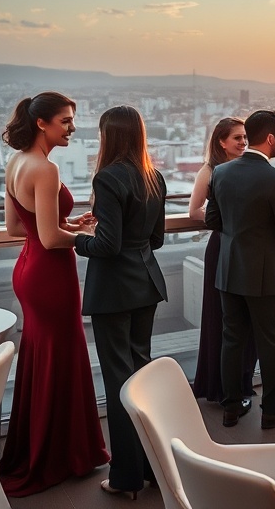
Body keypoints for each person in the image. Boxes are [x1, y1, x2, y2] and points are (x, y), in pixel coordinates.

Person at [0, 91, 110, 497]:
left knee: (43, 356)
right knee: (62, 356)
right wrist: (87, 237)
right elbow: (49, 238)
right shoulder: (45, 168)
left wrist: (68, 224)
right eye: (65, 120)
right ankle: (63, 454)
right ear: (41, 123)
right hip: (50, 274)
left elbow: (17, 228)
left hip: (28, 270)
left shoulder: (16, 162)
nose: (73, 128)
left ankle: (41, 448)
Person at [75, 105, 168, 499]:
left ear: (109, 136)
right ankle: (150, 467)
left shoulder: (107, 178)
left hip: (114, 290)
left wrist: (78, 241)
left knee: (118, 382)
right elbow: (156, 239)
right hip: (146, 283)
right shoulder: (154, 177)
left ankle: (125, 477)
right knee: (141, 376)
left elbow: (108, 246)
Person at [206, 109, 275, 429]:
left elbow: (212, 220)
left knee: (232, 339)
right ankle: (272, 410)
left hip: (229, 268)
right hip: (262, 274)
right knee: (269, 341)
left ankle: (231, 408)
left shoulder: (221, 172)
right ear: (271, 138)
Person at [188, 117, 258, 404]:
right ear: (221, 141)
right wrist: (227, 219)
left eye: (245, 137)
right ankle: (220, 388)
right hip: (221, 249)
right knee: (220, 317)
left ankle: (242, 382)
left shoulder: (247, 167)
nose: (243, 142)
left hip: (246, 250)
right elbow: (194, 211)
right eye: (237, 138)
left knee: (247, 319)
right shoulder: (209, 171)